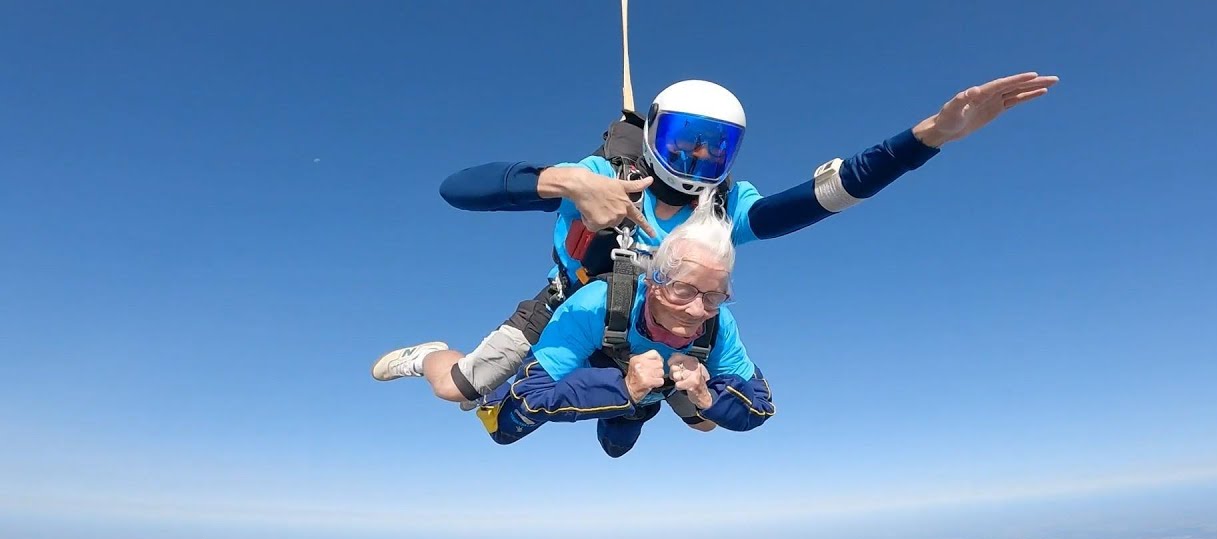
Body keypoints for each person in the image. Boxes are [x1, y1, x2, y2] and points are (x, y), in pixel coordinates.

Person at [372, 71, 1058, 413]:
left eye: (716, 148)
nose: (699, 159)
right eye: (684, 143)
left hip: (668, 328)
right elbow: (457, 190)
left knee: (702, 412)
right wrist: (566, 183)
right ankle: (430, 354)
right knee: (464, 391)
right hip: (566, 307)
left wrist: (928, 138)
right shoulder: (601, 176)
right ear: (654, 136)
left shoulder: (727, 209)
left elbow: (829, 194)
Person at [395, 192, 775, 457]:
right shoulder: (600, 303)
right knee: (503, 430)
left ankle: (637, 406)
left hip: (654, 387)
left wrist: (706, 395)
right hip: (602, 366)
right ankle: (435, 359)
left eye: (713, 296)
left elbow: (760, 405)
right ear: (653, 283)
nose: (697, 310)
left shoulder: (718, 324)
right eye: (682, 290)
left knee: (626, 444)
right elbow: (533, 393)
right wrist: (624, 386)